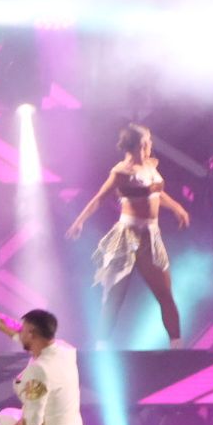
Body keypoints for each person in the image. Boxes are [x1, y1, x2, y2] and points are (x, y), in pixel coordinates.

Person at [67, 123, 190, 347]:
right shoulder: (122, 172)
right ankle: (100, 345)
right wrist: (79, 222)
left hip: (150, 235)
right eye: (148, 140)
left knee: (165, 293)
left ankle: (177, 346)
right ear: (140, 143)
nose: (151, 143)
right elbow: (99, 198)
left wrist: (177, 208)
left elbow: (158, 193)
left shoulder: (150, 166)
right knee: (114, 296)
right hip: (127, 236)